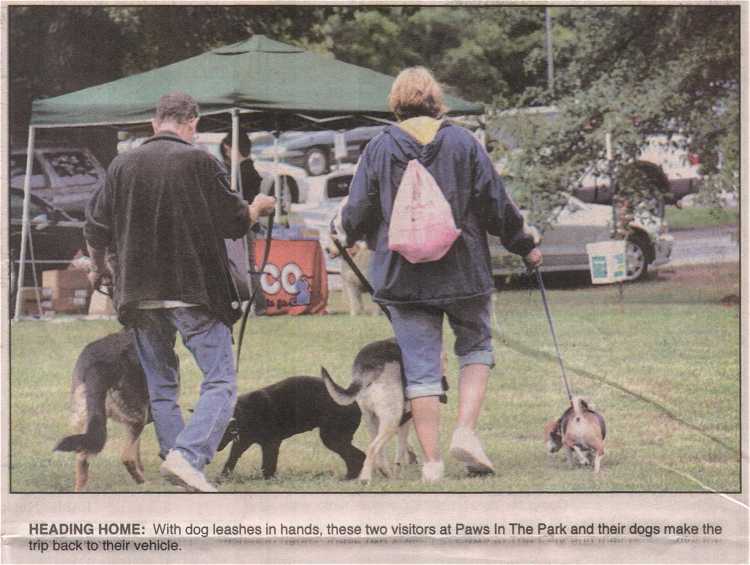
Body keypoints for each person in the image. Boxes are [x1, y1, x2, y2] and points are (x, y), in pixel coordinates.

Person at [335, 67, 542, 482]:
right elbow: (496, 204)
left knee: (422, 368)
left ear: (396, 103)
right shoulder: (463, 142)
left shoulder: (379, 148)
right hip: (464, 272)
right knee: (476, 348)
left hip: (402, 279)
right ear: (436, 99)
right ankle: (465, 430)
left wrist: (347, 234)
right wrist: (525, 244)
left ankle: (431, 462)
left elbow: (355, 213)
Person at [84, 92, 276, 492]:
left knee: (162, 385)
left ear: (156, 123)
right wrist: (257, 207)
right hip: (193, 291)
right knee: (221, 380)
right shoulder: (200, 161)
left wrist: (100, 269)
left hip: (136, 294)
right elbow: (234, 222)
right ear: (192, 124)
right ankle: (187, 458)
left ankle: (178, 464)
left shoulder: (121, 164)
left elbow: (96, 228)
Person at [219, 130, 267, 315]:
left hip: (244, 223)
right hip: (248, 223)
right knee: (247, 264)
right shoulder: (248, 170)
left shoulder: (242, 172)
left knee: (245, 264)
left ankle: (257, 304)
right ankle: (256, 304)